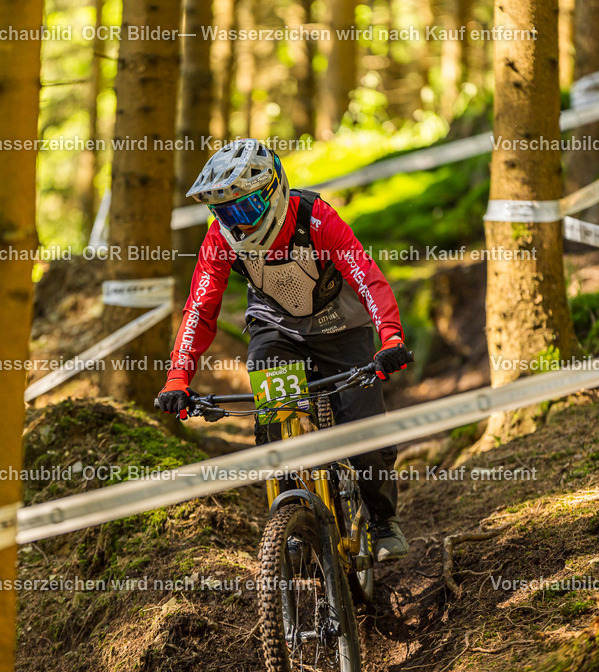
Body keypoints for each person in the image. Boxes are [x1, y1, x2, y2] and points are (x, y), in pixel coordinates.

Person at [156, 138, 412, 561]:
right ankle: (292, 519)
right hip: (276, 329)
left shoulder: (314, 217)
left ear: (273, 190)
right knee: (272, 422)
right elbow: (200, 308)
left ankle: (383, 520)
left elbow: (364, 273)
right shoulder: (220, 240)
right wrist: (179, 376)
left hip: (341, 327)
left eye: (245, 208)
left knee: (363, 436)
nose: (237, 224)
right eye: (224, 212)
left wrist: (391, 338)